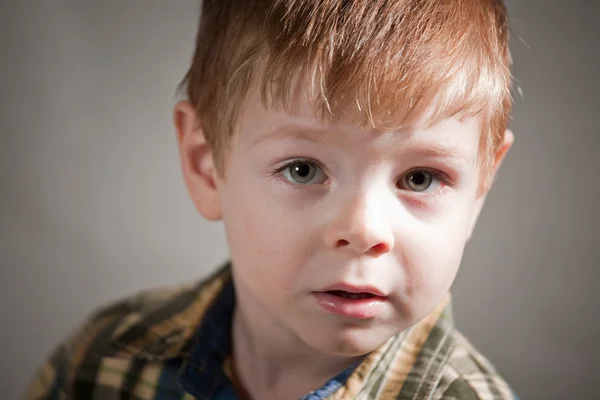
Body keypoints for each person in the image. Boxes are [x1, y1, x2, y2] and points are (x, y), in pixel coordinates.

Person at [26, 0, 519, 398]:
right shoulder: (102, 361)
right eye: (302, 170)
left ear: (480, 188)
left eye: (420, 179)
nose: (365, 230)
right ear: (205, 164)